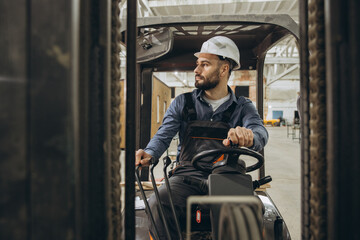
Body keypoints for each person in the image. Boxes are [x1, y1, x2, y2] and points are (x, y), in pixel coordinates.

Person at [135, 36, 268, 240]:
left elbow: (260, 133)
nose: (196, 70)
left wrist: (249, 136)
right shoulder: (183, 102)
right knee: (157, 203)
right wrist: (150, 152)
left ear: (224, 69)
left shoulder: (242, 107)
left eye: (205, 65)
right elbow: (163, 135)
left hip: (226, 176)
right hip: (187, 176)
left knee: (249, 208)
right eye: (197, 64)